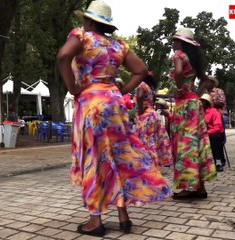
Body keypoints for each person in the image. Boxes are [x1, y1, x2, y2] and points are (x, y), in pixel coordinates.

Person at [57, 0, 171, 237]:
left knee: (94, 158)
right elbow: (141, 70)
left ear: (88, 20)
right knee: (118, 156)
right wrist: (122, 91)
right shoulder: (119, 45)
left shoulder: (82, 36)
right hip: (115, 104)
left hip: (91, 103)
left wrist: (72, 87)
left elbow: (62, 56)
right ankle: (123, 216)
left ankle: (95, 220)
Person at [169, 28, 216, 199]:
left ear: (181, 43)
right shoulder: (194, 59)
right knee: (197, 142)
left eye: (174, 40)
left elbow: (179, 72)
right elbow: (206, 80)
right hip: (194, 102)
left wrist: (180, 88)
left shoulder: (179, 55)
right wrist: (195, 91)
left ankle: (189, 187)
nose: (172, 44)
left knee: (186, 144)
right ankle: (200, 187)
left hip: (185, 105)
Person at [134, 72, 172, 167]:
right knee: (153, 139)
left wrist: (140, 110)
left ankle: (146, 163)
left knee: (144, 139)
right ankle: (153, 161)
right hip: (153, 114)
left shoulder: (142, 85)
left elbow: (139, 96)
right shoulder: (151, 88)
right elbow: (153, 100)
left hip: (145, 115)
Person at [200, 94, 225, 172]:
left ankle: (218, 162)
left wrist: (207, 132)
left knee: (214, 138)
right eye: (201, 101)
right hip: (202, 133)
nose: (201, 103)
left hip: (214, 133)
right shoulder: (198, 112)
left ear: (207, 103)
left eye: (204, 102)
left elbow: (217, 127)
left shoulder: (214, 112)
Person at [207, 75, 227, 166]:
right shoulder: (204, 92)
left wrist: (209, 103)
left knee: (219, 138)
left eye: (208, 81)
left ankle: (220, 158)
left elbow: (221, 102)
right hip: (207, 116)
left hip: (219, 115)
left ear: (212, 82)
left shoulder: (219, 91)